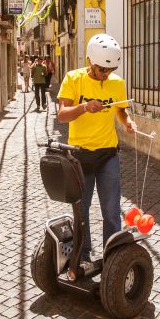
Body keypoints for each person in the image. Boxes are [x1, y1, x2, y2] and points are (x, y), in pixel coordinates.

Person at [57, 34, 136, 263]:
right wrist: (84, 107)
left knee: (111, 211)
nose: (106, 75)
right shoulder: (73, 79)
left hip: (108, 155)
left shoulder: (117, 83)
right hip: (79, 156)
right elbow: (62, 115)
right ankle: (83, 256)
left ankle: (113, 258)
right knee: (81, 212)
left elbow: (120, 110)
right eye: (102, 69)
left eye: (110, 70)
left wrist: (128, 122)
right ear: (91, 61)